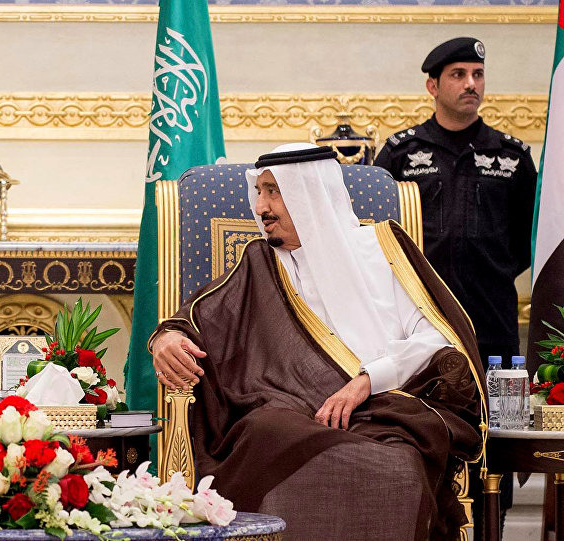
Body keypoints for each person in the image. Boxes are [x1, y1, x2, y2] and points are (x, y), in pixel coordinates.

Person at [150, 143, 484, 540]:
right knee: (268, 432)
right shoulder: (260, 263)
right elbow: (200, 318)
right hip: (291, 414)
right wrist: (168, 338)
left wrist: (367, 381)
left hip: (385, 412)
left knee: (400, 467)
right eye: (259, 192)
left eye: (273, 191)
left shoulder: (383, 248)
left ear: (309, 193)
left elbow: (439, 337)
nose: (260, 207)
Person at [373, 37, 537, 536]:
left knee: (496, 441)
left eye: (478, 74)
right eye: (459, 75)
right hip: (419, 325)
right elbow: (378, 237)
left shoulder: (512, 157)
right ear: (433, 85)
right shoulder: (400, 154)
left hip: (492, 325)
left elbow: (524, 241)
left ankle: (492, 530)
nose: (471, 84)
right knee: (422, 435)